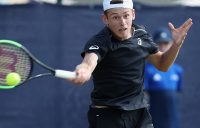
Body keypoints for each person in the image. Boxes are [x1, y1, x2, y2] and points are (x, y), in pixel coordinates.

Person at [67, 0, 193, 128]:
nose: (122, 22)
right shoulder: (99, 41)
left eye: (126, 15)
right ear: (105, 19)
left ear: (133, 14)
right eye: (115, 17)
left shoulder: (142, 36)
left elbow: (162, 64)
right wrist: (83, 71)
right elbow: (88, 63)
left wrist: (176, 44)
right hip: (108, 115)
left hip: (139, 113)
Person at [144, 28, 183, 128]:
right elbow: (143, 96)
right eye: (159, 43)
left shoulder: (178, 70)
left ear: (171, 44)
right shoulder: (147, 69)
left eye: (166, 43)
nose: (163, 47)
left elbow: (175, 94)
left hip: (172, 117)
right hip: (154, 116)